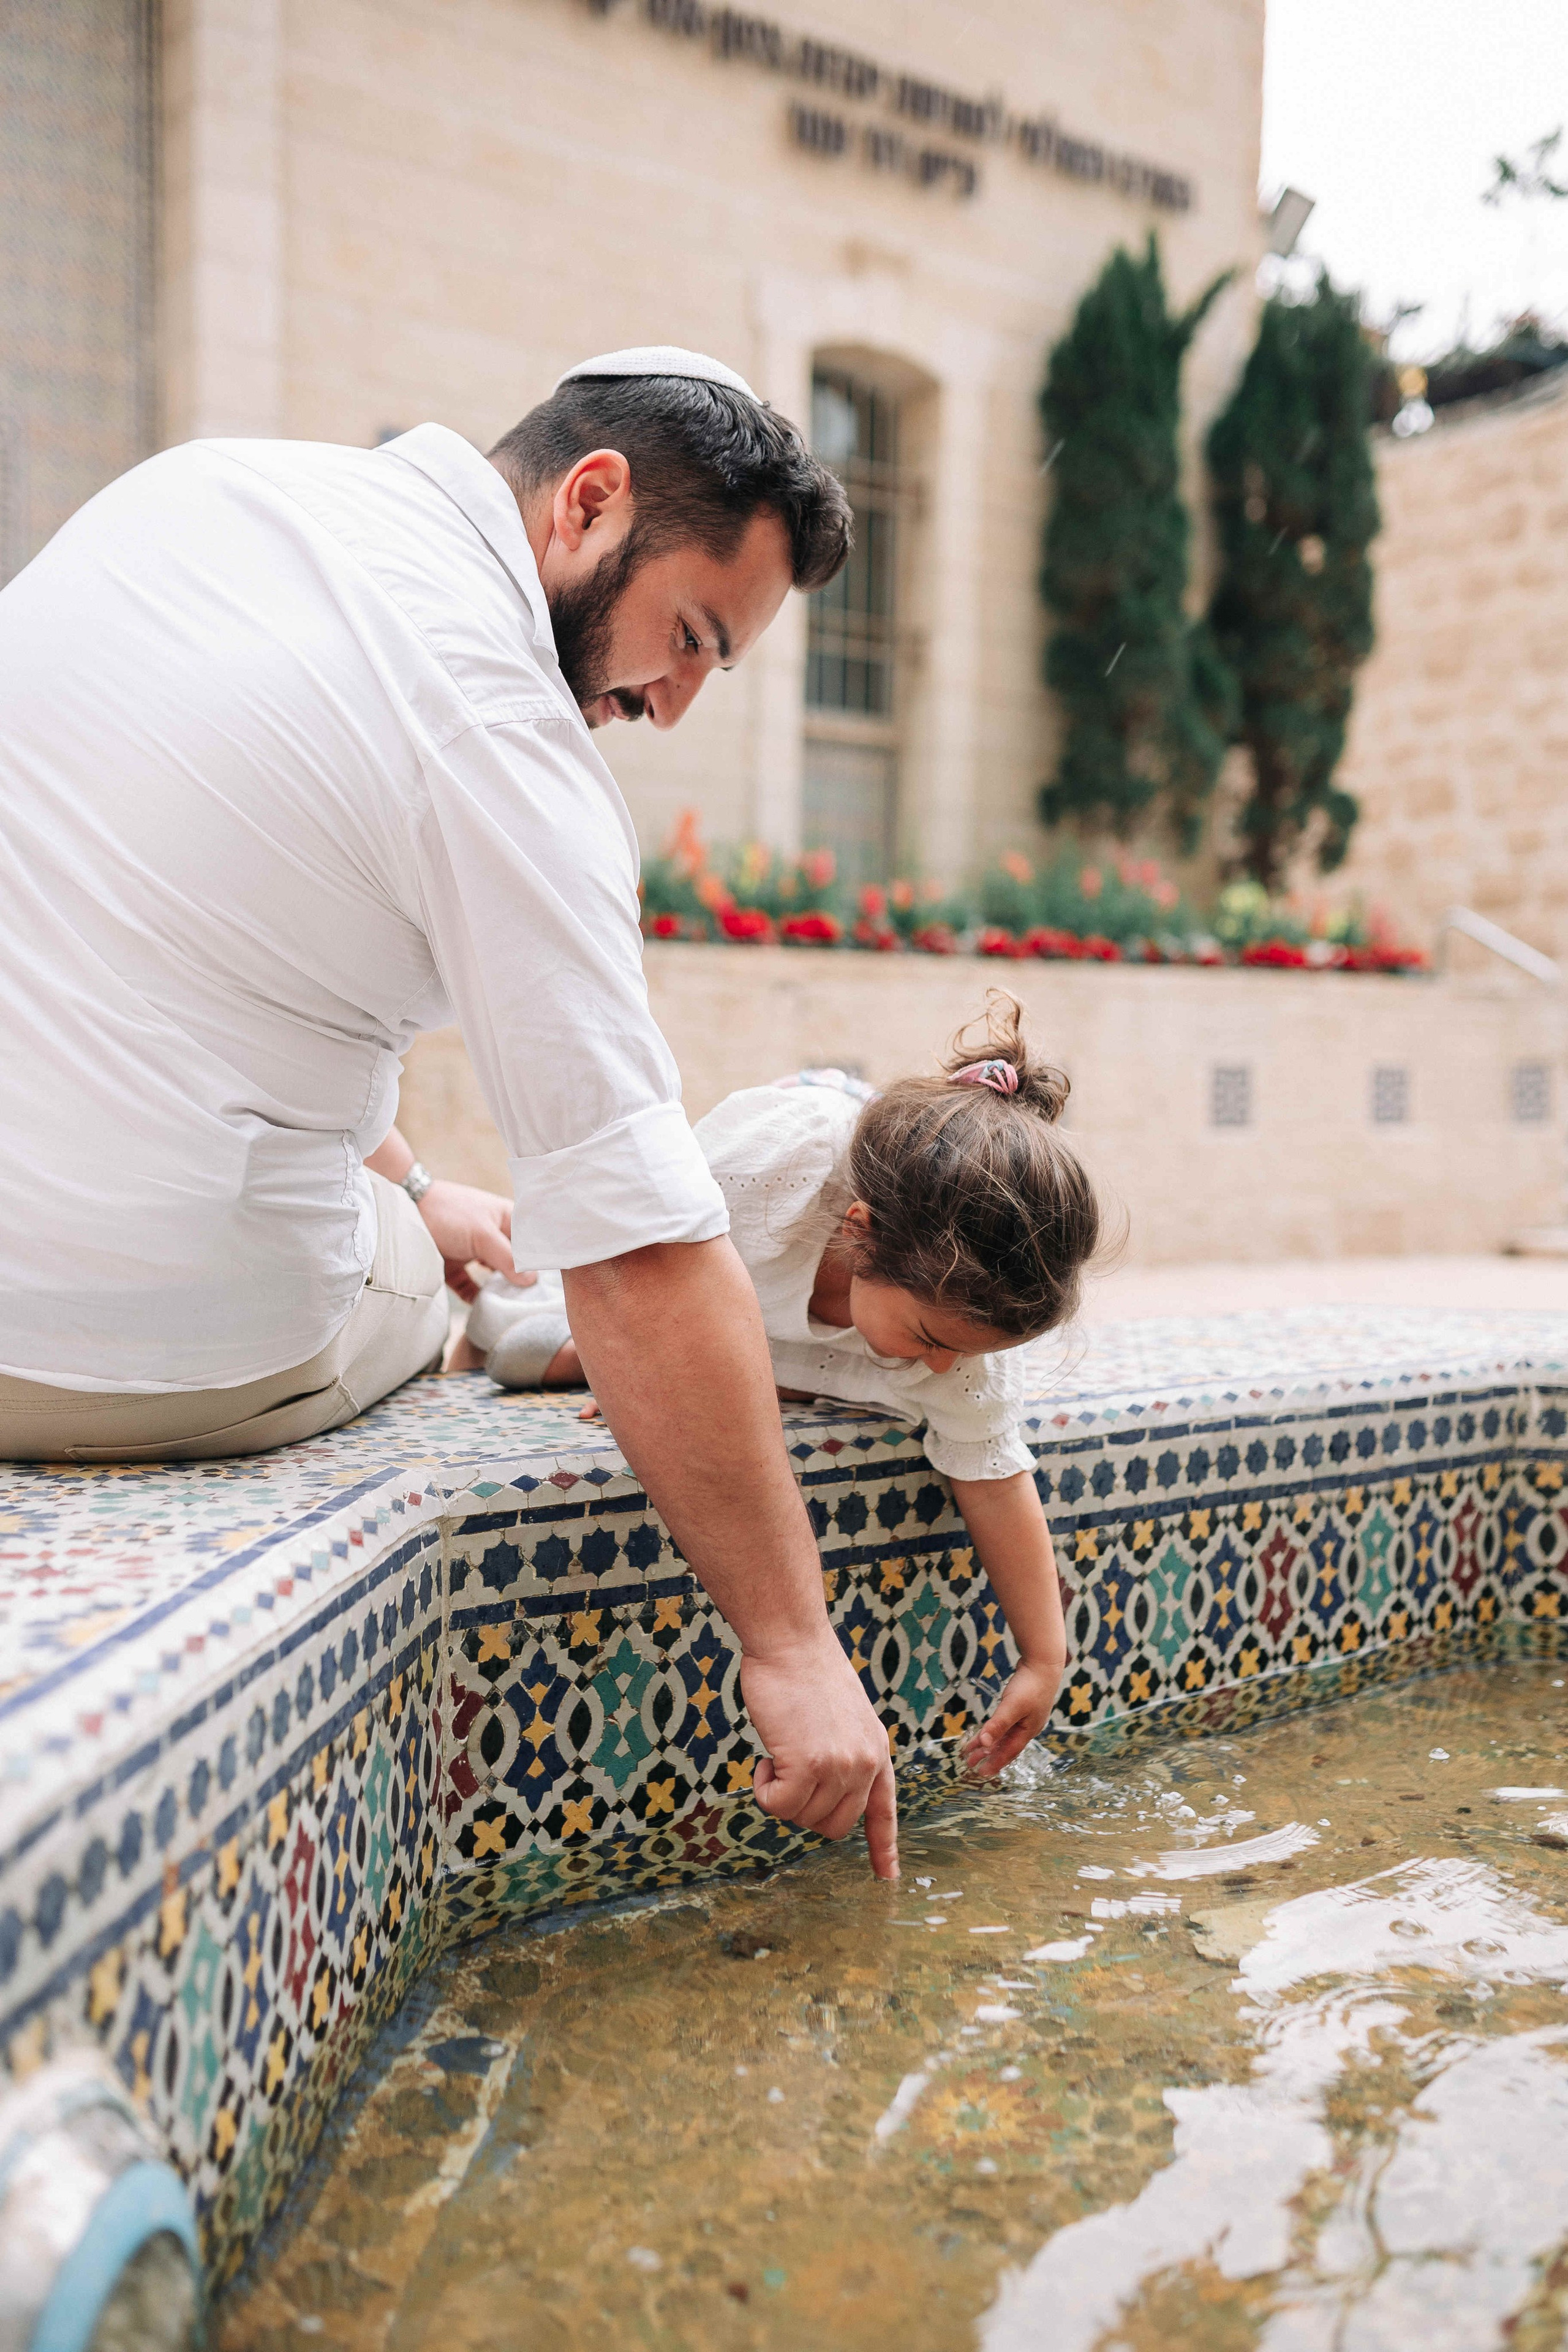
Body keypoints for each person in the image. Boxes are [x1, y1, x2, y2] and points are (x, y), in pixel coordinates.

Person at [0, 346, 900, 1877]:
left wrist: (414, 1177)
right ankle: (422, 1253)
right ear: (588, 502)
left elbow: (173, 956)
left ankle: (411, 1203)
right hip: (83, 1350)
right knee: (482, 1278)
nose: (672, 702)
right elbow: (636, 1247)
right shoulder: (503, 729)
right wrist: (793, 1643)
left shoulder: (207, 489)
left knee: (419, 1195)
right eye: (687, 636)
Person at [469, 993, 1104, 1777]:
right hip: (707, 1292)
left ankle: (772, 1378)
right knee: (513, 1348)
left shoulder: (959, 1339)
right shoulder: (761, 1174)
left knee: (908, 1388)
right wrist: (650, 1374)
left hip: (809, 1343)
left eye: (961, 1352)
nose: (943, 1367)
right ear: (858, 1230)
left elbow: (992, 1473)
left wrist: (1044, 1658)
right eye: (934, 1341)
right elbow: (623, 1258)